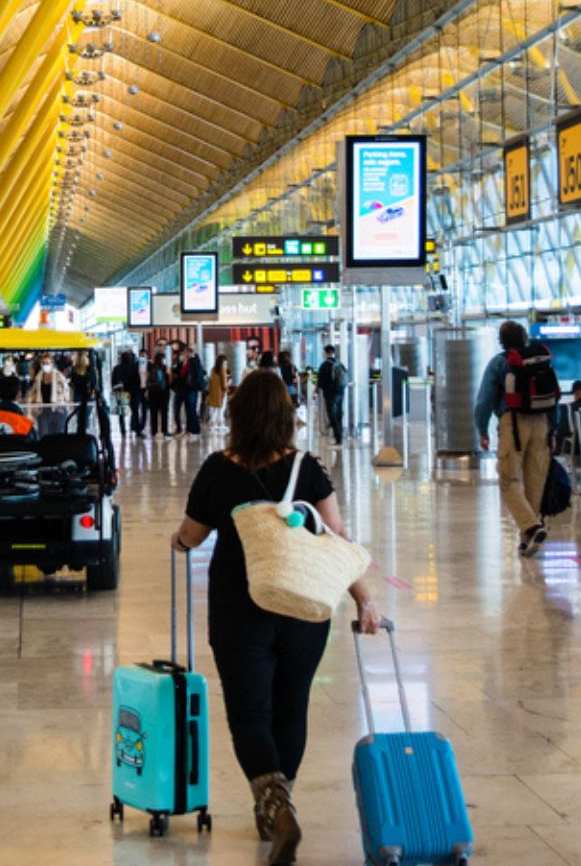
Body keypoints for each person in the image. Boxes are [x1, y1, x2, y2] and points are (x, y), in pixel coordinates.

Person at [172, 370, 380, 866]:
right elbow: (338, 538)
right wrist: (365, 598)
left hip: (240, 606)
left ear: (237, 416)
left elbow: (192, 535)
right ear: (288, 417)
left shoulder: (218, 470)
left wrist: (177, 542)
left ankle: (275, 805)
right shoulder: (308, 468)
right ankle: (281, 803)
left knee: (249, 712)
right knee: (291, 706)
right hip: (304, 607)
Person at [472, 320, 552, 557]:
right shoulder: (541, 358)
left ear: (501, 341)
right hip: (542, 422)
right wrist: (553, 430)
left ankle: (531, 526)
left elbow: (484, 400)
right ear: (525, 338)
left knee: (508, 480)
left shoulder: (499, 362)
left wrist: (483, 430)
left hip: (513, 423)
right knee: (534, 481)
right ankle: (528, 537)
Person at [316, 344, 347, 445]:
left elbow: (321, 381)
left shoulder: (325, 365)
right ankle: (340, 436)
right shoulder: (339, 363)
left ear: (326, 353)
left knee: (332, 415)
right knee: (338, 414)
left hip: (330, 394)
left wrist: (317, 390)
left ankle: (338, 438)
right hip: (340, 391)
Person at [113, 350, 144, 437]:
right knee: (135, 412)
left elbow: (113, 382)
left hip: (121, 392)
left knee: (121, 413)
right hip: (133, 392)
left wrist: (115, 392)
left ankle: (123, 431)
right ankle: (137, 431)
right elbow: (138, 381)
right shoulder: (133, 367)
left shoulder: (116, 368)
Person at [178, 345, 206, 436]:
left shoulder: (191, 361)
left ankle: (193, 430)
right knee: (191, 409)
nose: (183, 355)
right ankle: (192, 429)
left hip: (190, 389)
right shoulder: (197, 361)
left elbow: (182, 374)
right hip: (193, 389)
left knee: (191, 409)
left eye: (185, 353)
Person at [70, 351, 100, 434]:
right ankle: (85, 432)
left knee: (79, 416)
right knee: (86, 415)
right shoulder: (91, 371)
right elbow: (94, 383)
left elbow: (72, 383)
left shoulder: (74, 370)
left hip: (78, 395)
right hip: (88, 396)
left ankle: (80, 431)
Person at [145, 351, 171, 437]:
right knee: (164, 413)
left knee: (153, 413)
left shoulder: (150, 368)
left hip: (153, 393)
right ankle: (165, 431)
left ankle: (154, 431)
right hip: (163, 394)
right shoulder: (164, 368)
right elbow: (168, 381)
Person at [205, 354, 230, 430]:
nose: (226, 363)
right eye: (225, 361)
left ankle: (214, 423)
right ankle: (219, 424)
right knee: (221, 409)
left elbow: (210, 380)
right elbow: (224, 382)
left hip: (214, 392)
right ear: (223, 361)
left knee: (214, 409)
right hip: (221, 392)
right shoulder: (223, 369)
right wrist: (226, 388)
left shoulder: (213, 369)